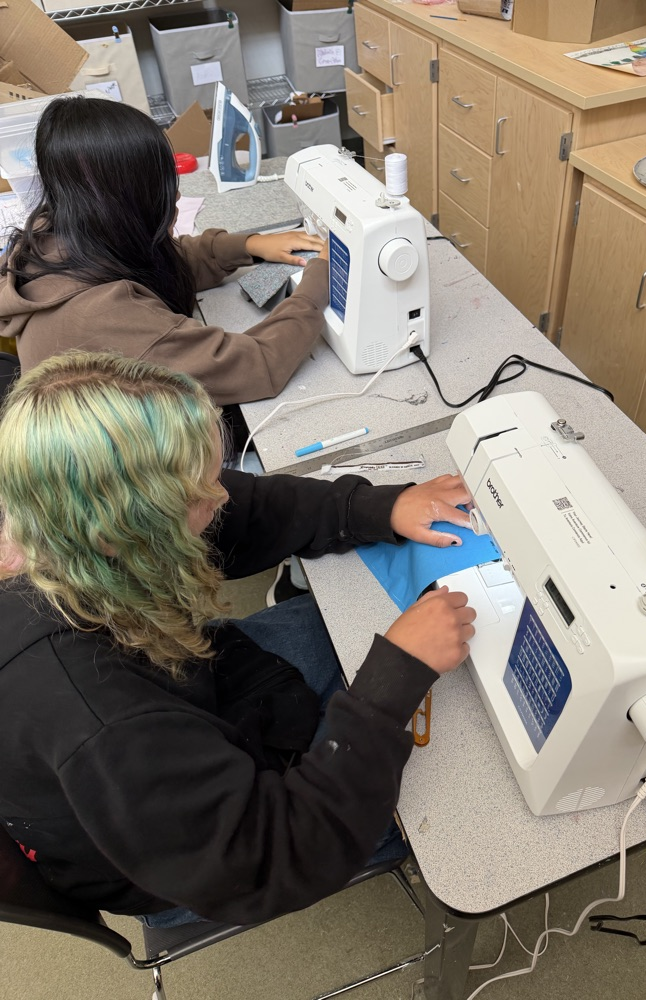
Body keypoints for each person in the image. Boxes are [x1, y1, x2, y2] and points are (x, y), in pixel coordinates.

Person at [0, 351, 476, 928]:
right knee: (449, 802)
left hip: (189, 695)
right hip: (192, 858)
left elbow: (243, 506)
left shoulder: (57, 514)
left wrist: (375, 506)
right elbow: (270, 858)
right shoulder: (96, 717)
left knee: (368, 657)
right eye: (197, 495)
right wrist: (389, 682)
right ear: (125, 529)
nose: (219, 495)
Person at [0, 96, 328, 410]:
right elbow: (258, 363)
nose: (176, 197)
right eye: (163, 189)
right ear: (125, 204)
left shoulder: (53, 234)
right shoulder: (104, 319)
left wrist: (245, 246)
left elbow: (152, 260)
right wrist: (318, 286)